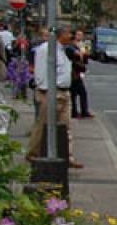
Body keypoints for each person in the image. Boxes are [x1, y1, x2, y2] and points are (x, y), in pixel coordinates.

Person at [28, 25, 82, 168]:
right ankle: (33, 153)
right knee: (43, 124)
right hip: (51, 92)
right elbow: (40, 71)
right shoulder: (46, 49)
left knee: (66, 127)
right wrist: (45, 90)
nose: (71, 36)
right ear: (61, 34)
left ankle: (67, 156)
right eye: (69, 33)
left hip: (64, 91)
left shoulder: (62, 50)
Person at [69, 28, 92, 118]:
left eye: (81, 35)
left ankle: (80, 111)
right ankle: (77, 112)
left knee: (78, 93)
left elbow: (85, 57)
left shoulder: (82, 45)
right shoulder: (71, 46)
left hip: (77, 73)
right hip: (73, 73)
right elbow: (76, 57)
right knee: (77, 93)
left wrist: (85, 54)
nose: (80, 36)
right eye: (78, 34)